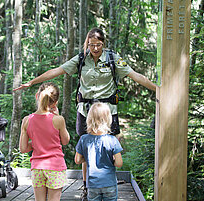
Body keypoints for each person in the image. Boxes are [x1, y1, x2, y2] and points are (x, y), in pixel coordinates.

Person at [14, 28, 156, 200]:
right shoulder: (81, 58)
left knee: (110, 146)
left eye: (98, 45)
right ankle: (87, 186)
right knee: (86, 147)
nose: (95, 48)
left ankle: (109, 183)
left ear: (104, 43)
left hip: (107, 111)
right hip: (85, 110)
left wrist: (158, 90)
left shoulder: (113, 58)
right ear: (87, 44)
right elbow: (57, 71)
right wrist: (32, 82)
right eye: (91, 45)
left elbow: (135, 75)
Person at [19, 82, 70, 201]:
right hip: (55, 167)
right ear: (55, 102)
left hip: (37, 168)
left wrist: (37, 143)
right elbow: (65, 141)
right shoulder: (58, 120)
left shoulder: (27, 120)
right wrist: (57, 116)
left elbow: (23, 148)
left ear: (37, 96)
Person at [75, 102, 123, 201]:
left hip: (92, 184)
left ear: (89, 119)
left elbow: (77, 160)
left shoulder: (84, 139)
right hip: (109, 183)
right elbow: (119, 163)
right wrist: (110, 161)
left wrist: (88, 158)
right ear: (108, 119)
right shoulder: (112, 140)